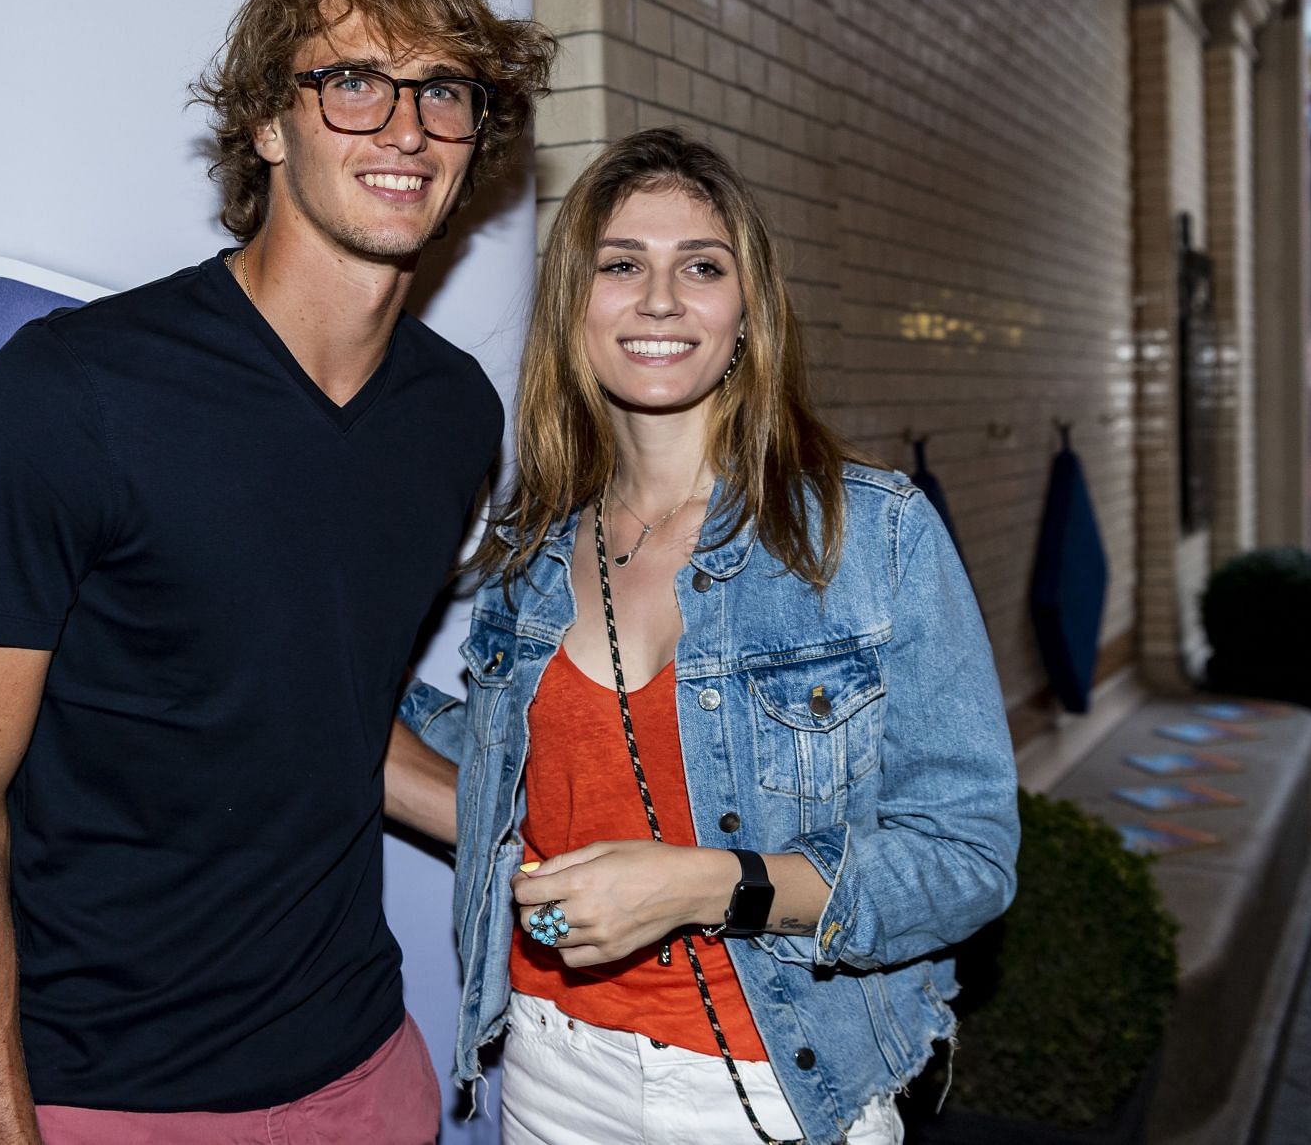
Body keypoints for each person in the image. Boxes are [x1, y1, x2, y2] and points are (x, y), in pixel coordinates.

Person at [0, 0, 553, 1145]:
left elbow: (328, 721)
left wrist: (568, 835)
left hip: (366, 1077)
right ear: (266, 124)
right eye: (352, 81)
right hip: (111, 1099)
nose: (404, 127)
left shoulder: (454, 416)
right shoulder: (73, 395)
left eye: (442, 90)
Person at [397, 129, 1020, 1145]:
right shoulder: (533, 554)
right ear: (576, 313)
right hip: (556, 1066)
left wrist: (708, 883)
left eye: (700, 266)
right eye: (620, 265)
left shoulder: (867, 535)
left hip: (777, 1085)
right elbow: (507, 775)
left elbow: (968, 858)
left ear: (745, 315)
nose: (659, 298)